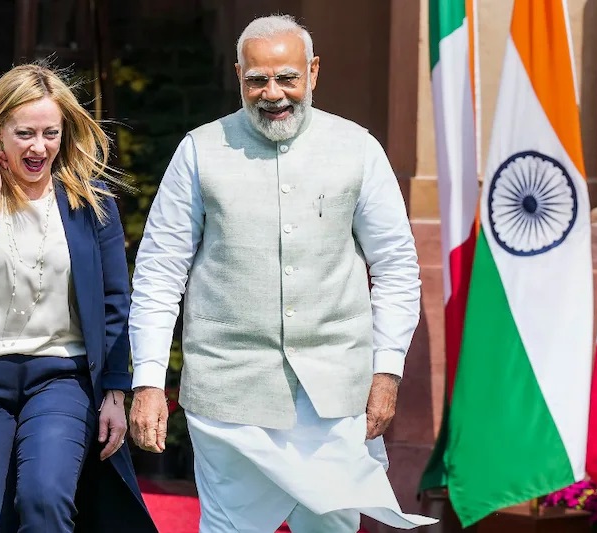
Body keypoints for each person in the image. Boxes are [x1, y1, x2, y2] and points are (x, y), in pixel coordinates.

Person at [128, 14, 438, 533]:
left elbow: (396, 267)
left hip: (334, 393)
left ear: (313, 72)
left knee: (330, 527)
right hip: (228, 393)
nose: (273, 94)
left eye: (287, 77)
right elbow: (160, 272)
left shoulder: (358, 147)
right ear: (238, 76)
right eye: (257, 80)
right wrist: (148, 381)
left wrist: (386, 372)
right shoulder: (199, 150)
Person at [0, 63, 157, 533]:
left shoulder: (91, 201)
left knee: (44, 499)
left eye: (51, 133)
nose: (39, 147)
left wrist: (116, 391)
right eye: (25, 133)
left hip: (61, 378)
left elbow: (115, 301)